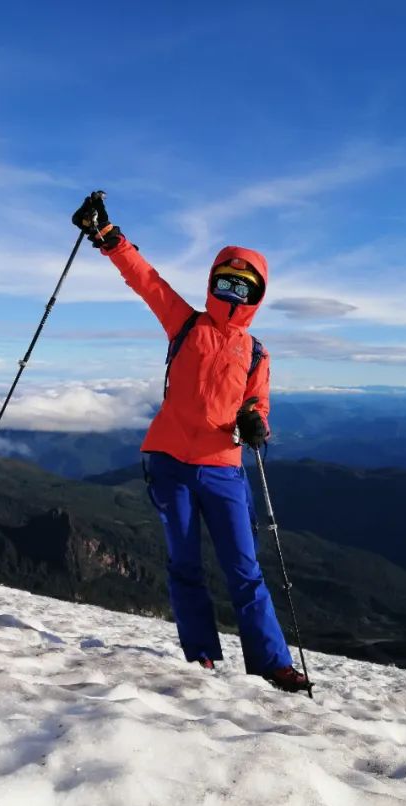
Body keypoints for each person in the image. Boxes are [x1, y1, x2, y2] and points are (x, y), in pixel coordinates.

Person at [72, 192, 309, 692]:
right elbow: (146, 280)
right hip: (169, 460)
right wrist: (107, 236)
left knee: (243, 567)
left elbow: (258, 404)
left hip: (222, 465)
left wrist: (255, 422)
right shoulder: (186, 324)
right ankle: (201, 654)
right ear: (212, 282)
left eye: (243, 287)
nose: (231, 294)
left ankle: (271, 661)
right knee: (185, 562)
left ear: (257, 295)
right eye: (225, 282)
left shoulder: (257, 353)